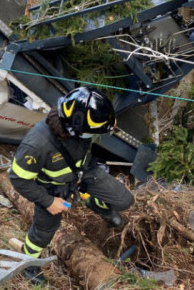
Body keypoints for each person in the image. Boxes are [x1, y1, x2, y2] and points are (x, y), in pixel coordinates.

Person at [9, 87, 134, 283]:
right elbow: (17, 179)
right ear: (73, 128)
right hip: (51, 189)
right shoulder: (36, 145)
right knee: (44, 232)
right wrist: (49, 201)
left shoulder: (79, 125)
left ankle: (95, 204)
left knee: (124, 199)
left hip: (83, 172)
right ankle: (28, 263)